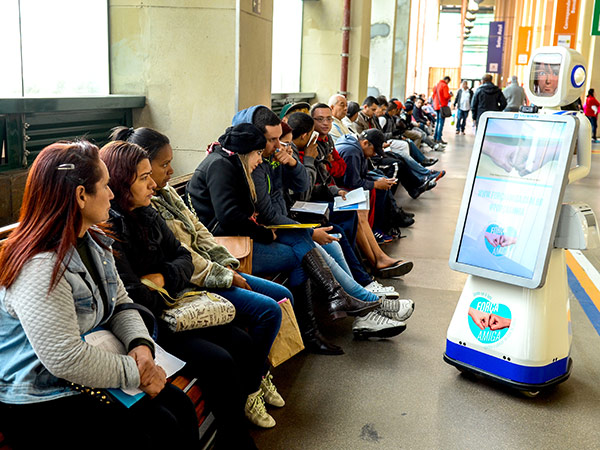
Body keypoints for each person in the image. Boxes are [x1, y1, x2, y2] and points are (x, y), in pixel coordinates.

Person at [0, 141, 200, 449]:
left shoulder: (94, 240)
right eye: (105, 186)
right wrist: (137, 372)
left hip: (87, 369)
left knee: (179, 408)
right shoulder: (40, 265)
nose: (112, 194)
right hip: (40, 394)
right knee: (156, 431)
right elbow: (65, 358)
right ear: (81, 195)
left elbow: (121, 303)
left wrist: (140, 345)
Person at [110, 126, 291, 419]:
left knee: (280, 297)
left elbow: (193, 238)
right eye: (163, 166)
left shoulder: (158, 199)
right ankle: (253, 385)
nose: (169, 172)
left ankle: (256, 379)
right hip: (184, 293)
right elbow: (145, 287)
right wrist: (217, 275)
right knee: (268, 311)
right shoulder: (125, 220)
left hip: (197, 278)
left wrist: (223, 265)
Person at [185, 120, 379, 355]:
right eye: (259, 153)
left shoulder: (231, 162)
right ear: (247, 151)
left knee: (300, 239)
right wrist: (265, 232)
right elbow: (229, 217)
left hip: (240, 237)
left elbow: (299, 187)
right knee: (299, 254)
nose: (261, 159)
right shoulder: (221, 166)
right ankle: (323, 314)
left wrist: (293, 164)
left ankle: (323, 314)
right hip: (225, 246)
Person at [432, 76, 452, 144]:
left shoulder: (436, 85)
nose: (448, 83)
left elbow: (433, 96)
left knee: (438, 122)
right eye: (448, 81)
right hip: (442, 106)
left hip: (436, 106)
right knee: (441, 122)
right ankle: (439, 138)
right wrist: (450, 95)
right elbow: (446, 96)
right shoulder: (444, 85)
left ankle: (435, 137)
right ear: (446, 80)